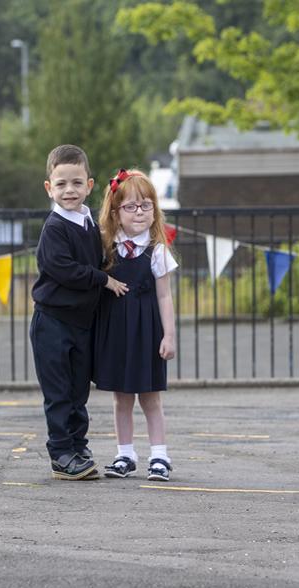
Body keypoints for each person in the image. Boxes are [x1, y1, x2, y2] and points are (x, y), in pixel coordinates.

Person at [30, 145, 128, 480]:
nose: (68, 190)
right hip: (52, 323)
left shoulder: (90, 224)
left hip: (81, 324)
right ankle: (60, 453)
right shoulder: (55, 228)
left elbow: (102, 257)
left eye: (76, 183)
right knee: (58, 393)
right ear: (49, 188)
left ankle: (77, 444)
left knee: (77, 391)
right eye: (61, 184)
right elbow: (63, 269)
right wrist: (103, 279)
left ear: (89, 185)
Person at [95, 169, 177, 482]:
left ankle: (159, 456)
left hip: (147, 332)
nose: (139, 212)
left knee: (150, 397)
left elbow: (165, 296)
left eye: (146, 205)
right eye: (131, 206)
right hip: (117, 331)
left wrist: (168, 335)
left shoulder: (157, 250)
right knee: (121, 398)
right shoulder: (107, 249)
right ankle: (125, 454)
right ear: (115, 212)